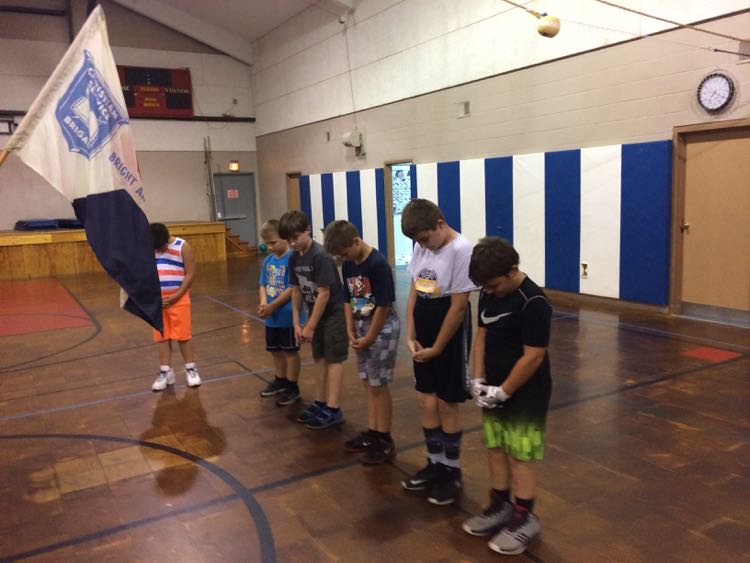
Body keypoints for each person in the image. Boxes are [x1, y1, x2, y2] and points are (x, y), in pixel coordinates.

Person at [462, 237, 552, 555]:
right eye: (484, 287)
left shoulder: (534, 302)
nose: (490, 291)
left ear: (513, 270)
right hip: (493, 387)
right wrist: (478, 378)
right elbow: (482, 336)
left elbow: (534, 357)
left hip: (526, 392)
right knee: (495, 447)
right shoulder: (489, 294)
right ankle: (500, 506)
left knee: (520, 455)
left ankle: (525, 518)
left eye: (494, 285)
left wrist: (504, 391)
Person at [399, 198, 475, 505]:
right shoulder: (422, 246)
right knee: (425, 398)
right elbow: (415, 291)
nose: (422, 245)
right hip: (424, 326)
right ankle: (434, 463)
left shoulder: (462, 249)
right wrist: (411, 333)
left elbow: (458, 307)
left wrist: (438, 348)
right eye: (417, 241)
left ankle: (451, 471)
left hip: (449, 332)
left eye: (425, 238)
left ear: (440, 224)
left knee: (446, 402)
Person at [324, 220, 400, 464]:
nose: (343, 258)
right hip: (361, 327)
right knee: (368, 383)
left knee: (378, 385)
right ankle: (373, 431)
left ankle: (384, 438)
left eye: (345, 253)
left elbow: (384, 305)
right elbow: (348, 298)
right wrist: (350, 327)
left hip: (381, 329)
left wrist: (371, 336)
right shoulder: (348, 264)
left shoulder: (378, 264)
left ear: (356, 241)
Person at [279, 210, 348, 429]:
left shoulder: (321, 256)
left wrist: (310, 325)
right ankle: (320, 402)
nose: (292, 243)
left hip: (334, 313)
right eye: (288, 240)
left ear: (307, 230)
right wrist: (296, 323)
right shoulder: (294, 257)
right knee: (319, 358)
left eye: (296, 237)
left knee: (333, 359)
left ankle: (333, 408)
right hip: (314, 315)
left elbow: (325, 293)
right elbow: (296, 290)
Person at [150, 222, 201, 391]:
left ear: (167, 239)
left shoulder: (182, 246)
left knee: (183, 335)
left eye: (161, 248)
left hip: (179, 299)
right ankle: (166, 372)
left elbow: (191, 273)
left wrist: (176, 296)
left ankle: (190, 369)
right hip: (158, 302)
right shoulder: (150, 247)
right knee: (162, 337)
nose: (159, 251)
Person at [257, 219, 302, 406]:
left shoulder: (293, 259)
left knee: (290, 352)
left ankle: (292, 386)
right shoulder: (268, 261)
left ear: (284, 238)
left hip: (288, 316)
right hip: (272, 317)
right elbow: (263, 284)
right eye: (266, 243)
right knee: (275, 351)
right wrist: (263, 304)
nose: (269, 247)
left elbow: (292, 288)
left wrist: (273, 305)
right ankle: (280, 380)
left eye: (273, 242)